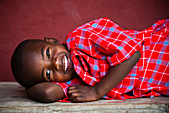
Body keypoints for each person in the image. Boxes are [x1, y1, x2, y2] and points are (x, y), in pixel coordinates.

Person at [11, 18, 169, 103]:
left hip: (162, 47)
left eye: (47, 53)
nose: (55, 64)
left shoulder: (82, 37)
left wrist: (97, 91)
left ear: (52, 41)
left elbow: (132, 54)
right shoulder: (77, 84)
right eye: (47, 73)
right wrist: (29, 89)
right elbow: (47, 93)